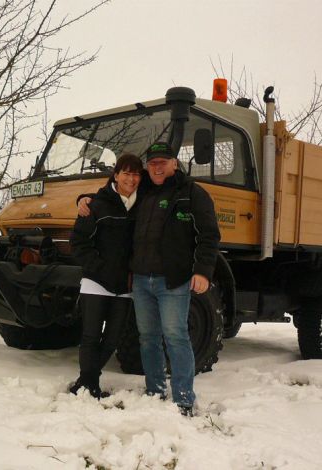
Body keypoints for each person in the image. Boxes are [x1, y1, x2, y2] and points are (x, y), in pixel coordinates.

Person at [78, 142, 220, 416]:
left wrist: (203, 271)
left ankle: (183, 398)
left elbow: (209, 235)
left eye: (162, 162)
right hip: (141, 281)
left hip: (173, 281)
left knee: (176, 337)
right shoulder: (142, 192)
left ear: (174, 164)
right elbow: (113, 193)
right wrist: (84, 200)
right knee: (148, 339)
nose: (157, 167)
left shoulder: (192, 193)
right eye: (152, 163)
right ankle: (155, 390)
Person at [68, 153, 143, 398]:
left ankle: (85, 381)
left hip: (125, 285)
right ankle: (91, 385)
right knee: (91, 336)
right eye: (126, 173)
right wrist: (100, 268)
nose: (131, 179)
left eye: (136, 174)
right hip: (96, 282)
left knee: (112, 339)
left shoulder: (143, 205)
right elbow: (78, 243)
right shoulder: (96, 205)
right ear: (116, 175)